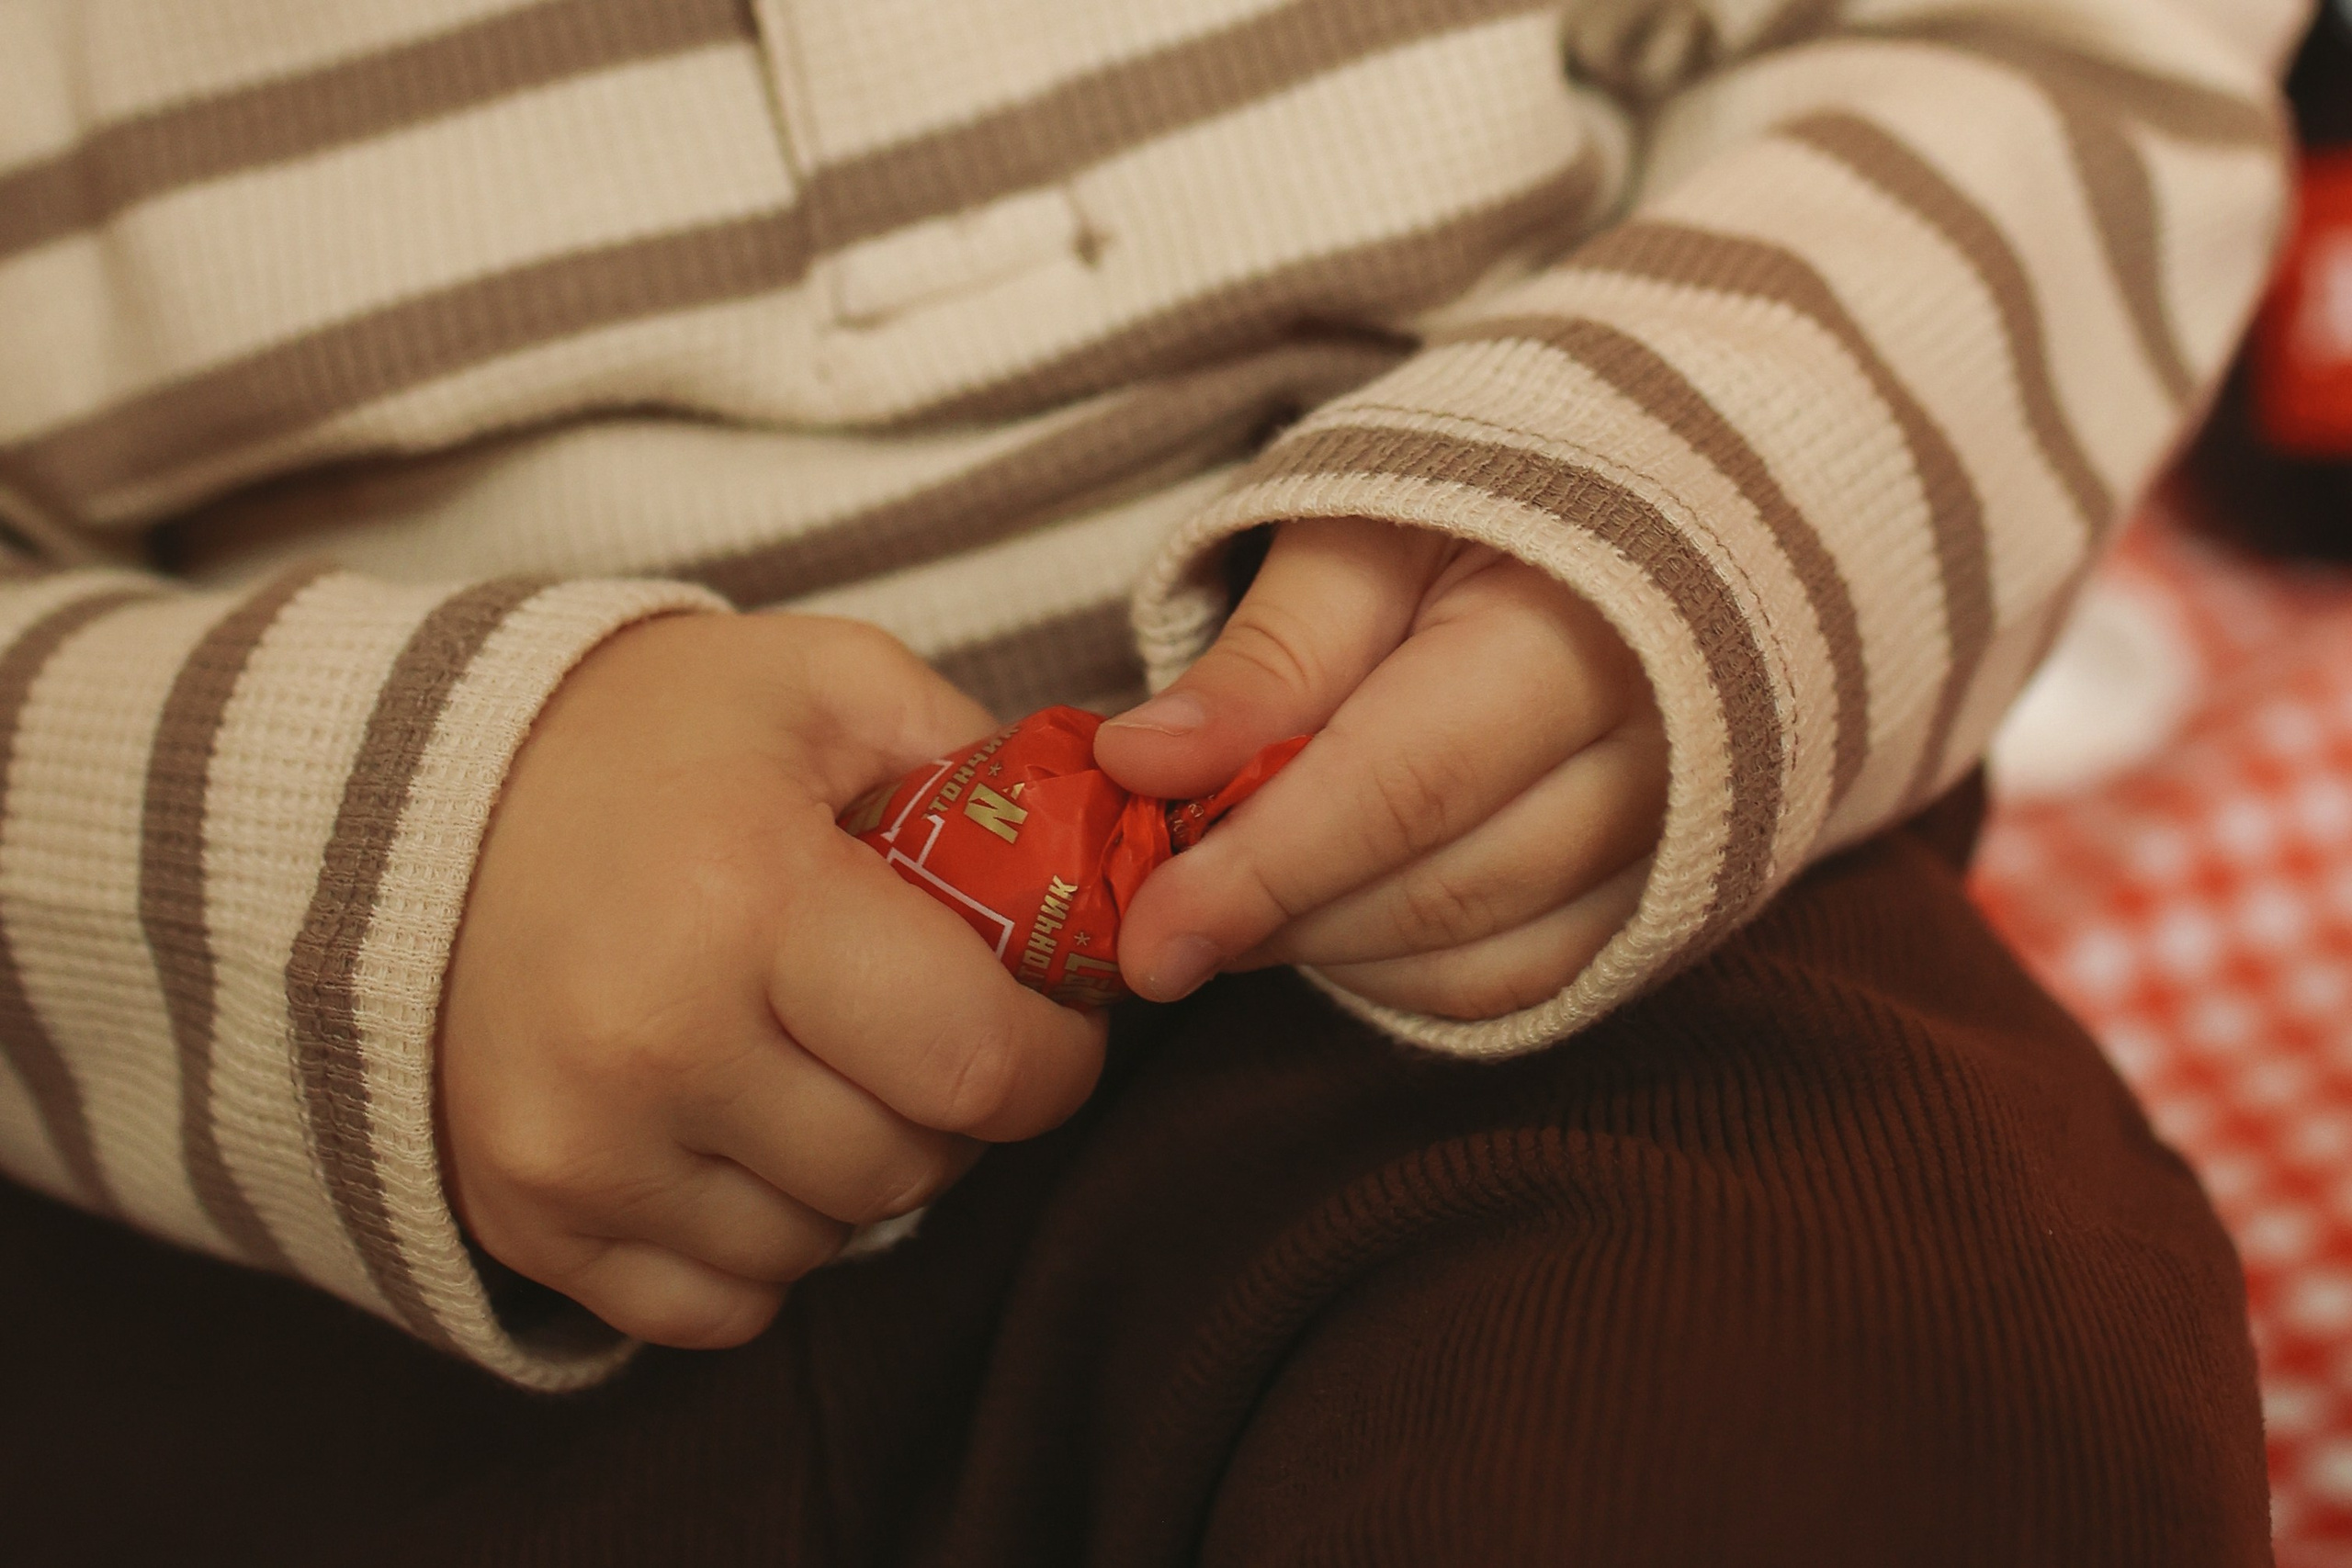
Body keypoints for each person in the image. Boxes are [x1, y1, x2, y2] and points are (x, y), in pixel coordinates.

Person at [0, 0, 2308, 1560]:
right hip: (291, 1166)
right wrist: (330, 856)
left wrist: (1686, 507)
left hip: (1483, 986)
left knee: (1871, 1344)